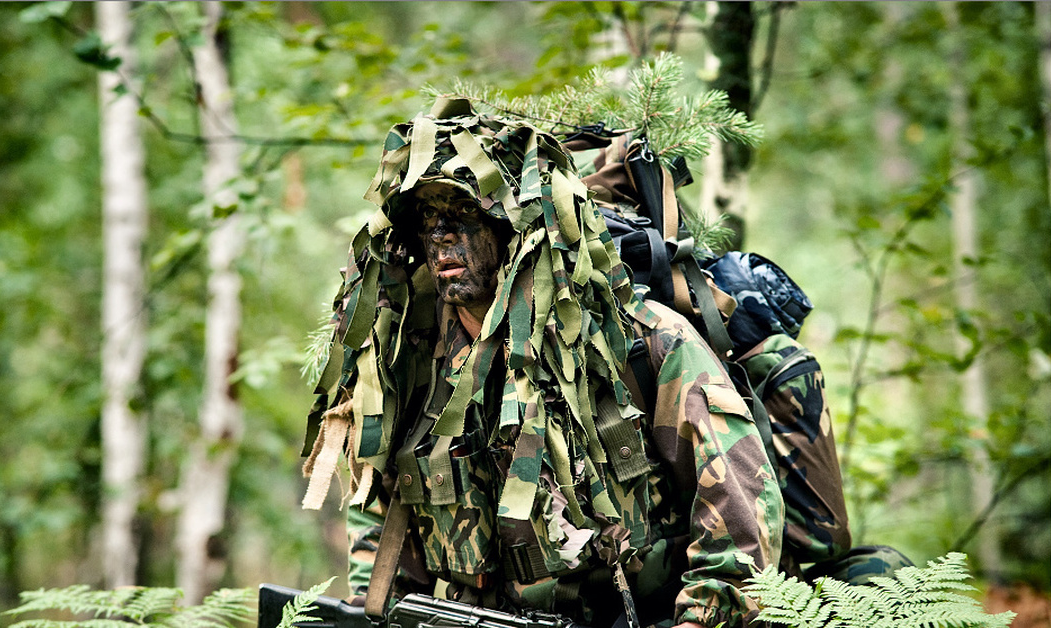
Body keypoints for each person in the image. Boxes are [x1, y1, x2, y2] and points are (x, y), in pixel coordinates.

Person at [301, 99, 784, 628]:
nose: (441, 235)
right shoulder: (408, 357)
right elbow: (381, 516)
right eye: (427, 218)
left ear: (516, 227)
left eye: (463, 213)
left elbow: (739, 515)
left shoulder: (639, 342)